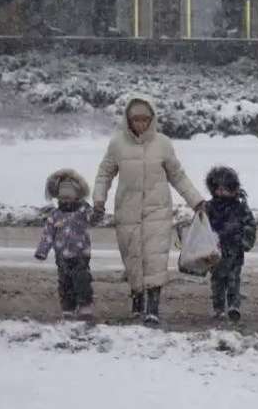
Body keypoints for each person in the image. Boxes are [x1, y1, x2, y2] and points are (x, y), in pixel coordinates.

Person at [92, 95, 206, 327]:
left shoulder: (163, 143)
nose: (140, 124)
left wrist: (196, 201)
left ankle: (152, 307)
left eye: (145, 119)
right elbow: (105, 173)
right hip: (127, 211)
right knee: (133, 257)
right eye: (136, 119)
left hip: (158, 210)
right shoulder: (117, 144)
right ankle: (137, 298)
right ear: (128, 119)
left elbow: (177, 175)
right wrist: (98, 199)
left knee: (155, 257)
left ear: (152, 118)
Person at [34, 169, 95, 322]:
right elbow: (48, 234)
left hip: (81, 254)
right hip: (61, 257)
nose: (65, 201)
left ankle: (85, 305)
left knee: (82, 279)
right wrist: (42, 251)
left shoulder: (83, 211)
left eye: (69, 197)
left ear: (77, 196)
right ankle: (68, 308)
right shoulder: (55, 215)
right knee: (65, 283)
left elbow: (94, 218)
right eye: (62, 198)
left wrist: (98, 211)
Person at [204, 166, 257, 322]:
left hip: (234, 250)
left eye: (225, 188)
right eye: (218, 188)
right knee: (217, 281)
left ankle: (234, 305)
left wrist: (243, 240)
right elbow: (203, 226)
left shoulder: (240, 207)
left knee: (234, 279)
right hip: (216, 251)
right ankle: (218, 308)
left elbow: (250, 224)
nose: (221, 192)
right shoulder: (210, 207)